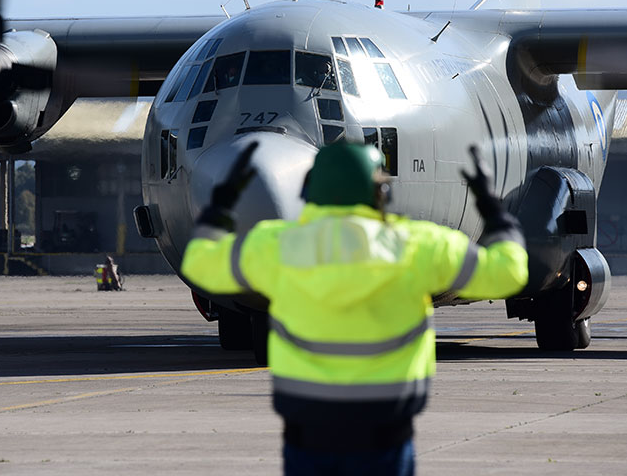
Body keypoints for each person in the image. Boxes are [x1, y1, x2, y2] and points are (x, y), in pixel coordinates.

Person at [181, 141, 528, 476]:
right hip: (383, 438)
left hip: (308, 438)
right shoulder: (418, 245)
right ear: (381, 193)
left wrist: (221, 206)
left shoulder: (278, 245)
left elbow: (199, 264)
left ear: (308, 190)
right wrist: (493, 208)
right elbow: (509, 272)